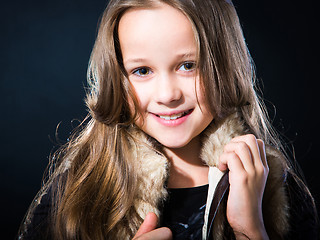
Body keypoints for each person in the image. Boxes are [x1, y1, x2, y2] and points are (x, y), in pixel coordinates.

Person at [18, 0, 319, 239]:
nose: (167, 95)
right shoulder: (76, 189)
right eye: (142, 71)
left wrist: (250, 231)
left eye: (188, 65)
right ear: (117, 78)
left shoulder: (278, 189)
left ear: (226, 67)